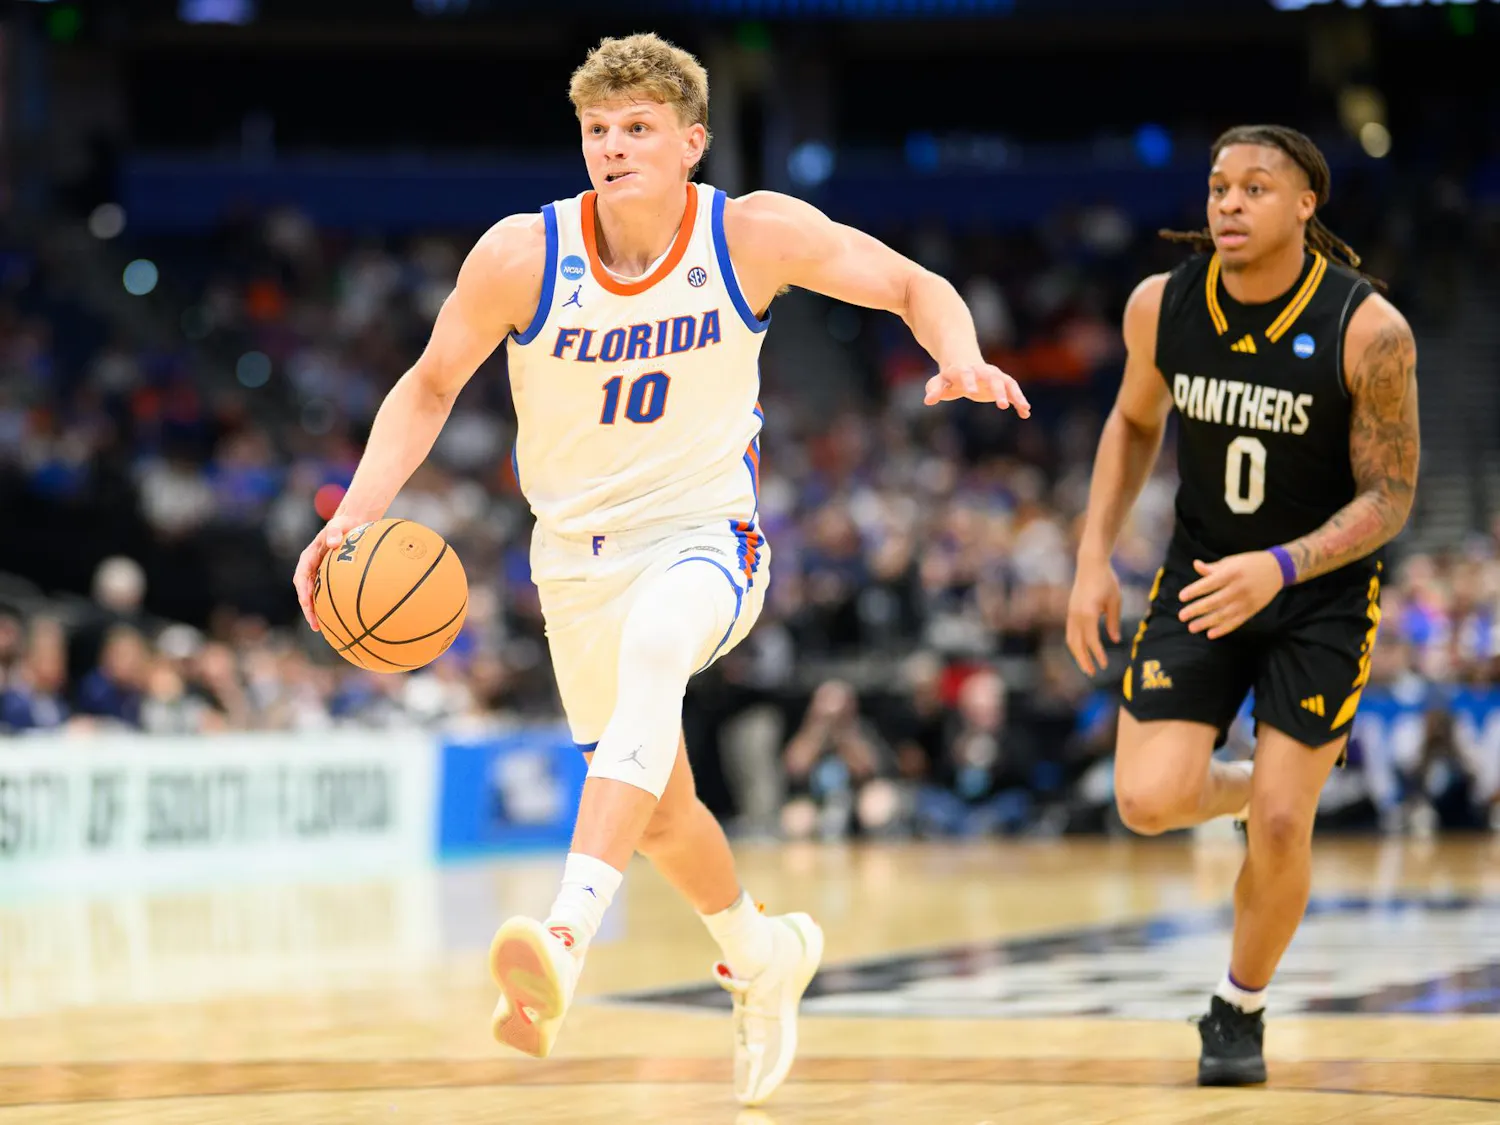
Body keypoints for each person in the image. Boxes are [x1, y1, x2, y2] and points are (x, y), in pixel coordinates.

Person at [291, 32, 1027, 1107]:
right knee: (665, 814)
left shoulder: (751, 234)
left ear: (692, 142)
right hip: (572, 563)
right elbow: (431, 382)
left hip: (705, 536)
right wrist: (352, 520)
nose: (614, 147)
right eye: (598, 129)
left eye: (638, 128)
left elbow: (913, 284)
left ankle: (562, 938)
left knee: (654, 654)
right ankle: (762, 954)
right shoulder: (521, 256)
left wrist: (958, 355)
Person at [1064, 124, 1419, 1087]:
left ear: (1306, 204)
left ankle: (1238, 1007)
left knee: (1283, 825)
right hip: (1204, 573)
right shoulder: (1161, 305)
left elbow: (1391, 497)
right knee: (1145, 800)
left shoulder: (1368, 329)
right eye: (1219, 186)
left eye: (1255, 187)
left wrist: (1283, 565)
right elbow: (1131, 420)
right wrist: (1093, 557)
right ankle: (1249, 792)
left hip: (1321, 591)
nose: (1228, 202)